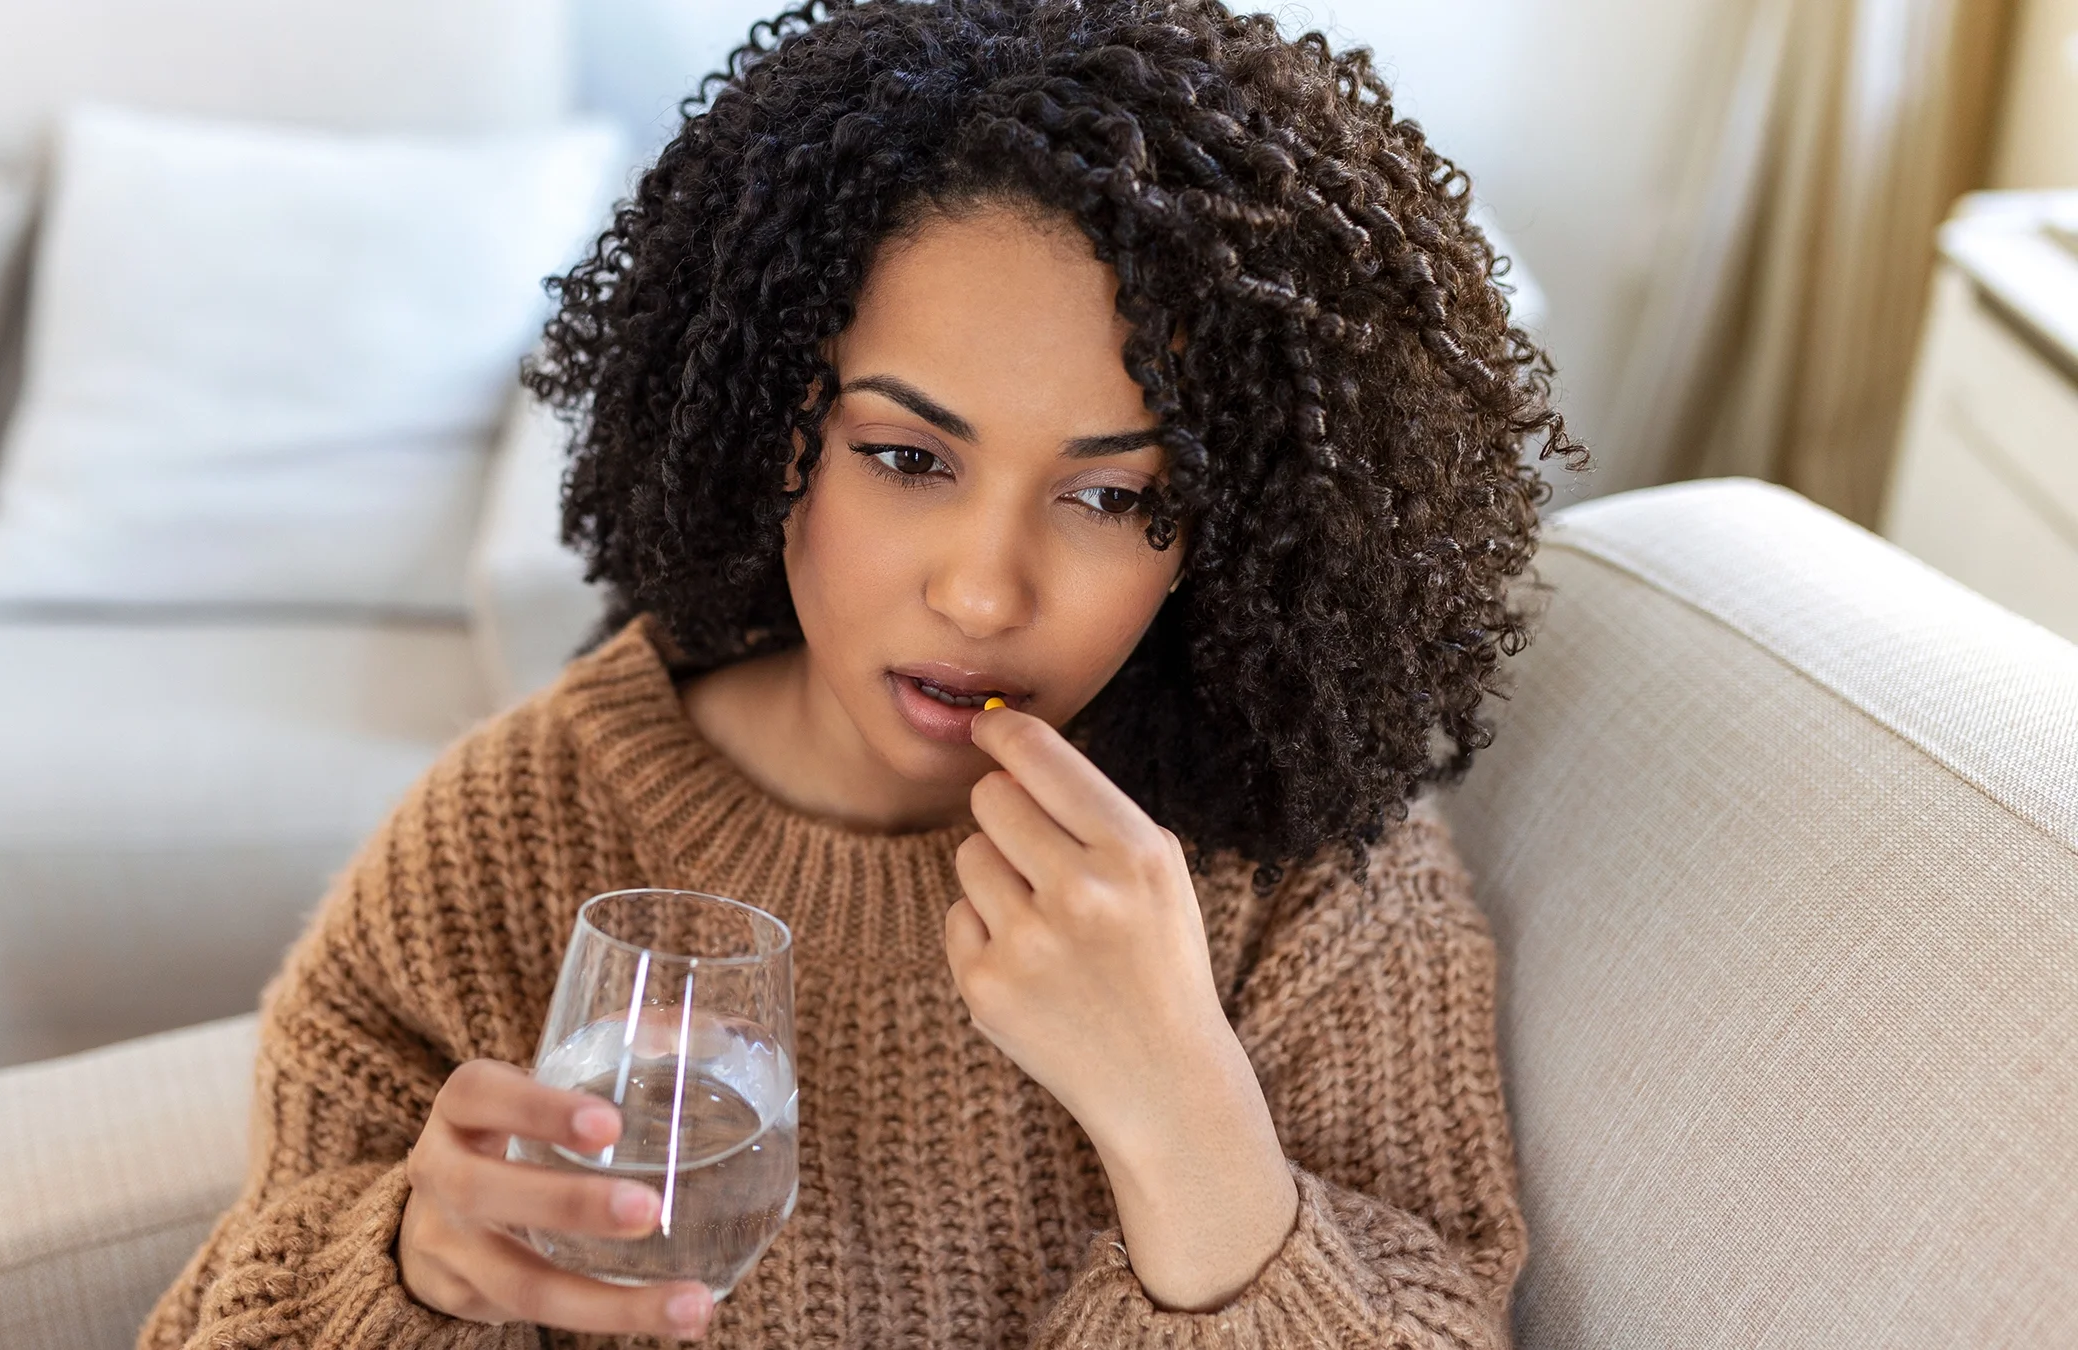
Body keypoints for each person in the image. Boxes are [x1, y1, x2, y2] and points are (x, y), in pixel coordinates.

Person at [141, 1, 1581, 1345]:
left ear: (1222, 528)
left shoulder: (1302, 879)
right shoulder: (507, 849)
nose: (981, 588)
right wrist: (406, 1269)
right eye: (908, 459)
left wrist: (1184, 1114)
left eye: (1110, 496)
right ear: (782, 439)